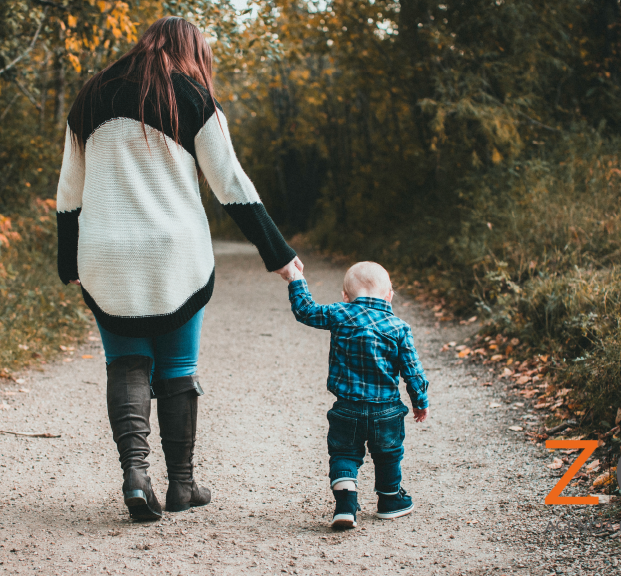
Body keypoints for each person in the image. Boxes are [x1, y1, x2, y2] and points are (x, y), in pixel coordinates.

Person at [55, 16, 303, 521]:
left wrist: (68, 260)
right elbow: (230, 182)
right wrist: (277, 253)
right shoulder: (190, 96)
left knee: (125, 362)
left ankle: (135, 476)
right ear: (190, 51)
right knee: (177, 367)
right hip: (176, 255)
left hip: (105, 251)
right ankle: (182, 485)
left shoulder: (91, 95)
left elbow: (68, 191)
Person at [284, 261, 429, 529]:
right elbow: (413, 371)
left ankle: (345, 505)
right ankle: (389, 500)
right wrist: (420, 401)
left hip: (346, 408)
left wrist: (296, 279)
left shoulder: (339, 313)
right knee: (388, 454)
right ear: (390, 295)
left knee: (344, 454)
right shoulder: (398, 328)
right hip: (386, 411)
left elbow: (305, 310)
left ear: (345, 296)